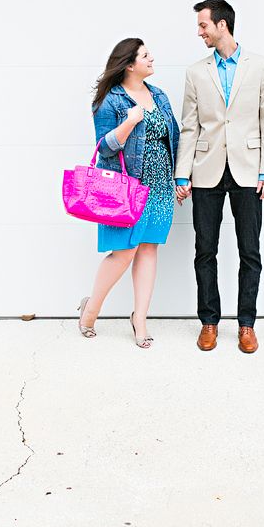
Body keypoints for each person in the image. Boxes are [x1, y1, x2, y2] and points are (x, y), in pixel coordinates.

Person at [174, 0, 264, 354]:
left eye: (203, 25)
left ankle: (246, 325)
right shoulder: (195, 72)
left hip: (249, 170)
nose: (199, 32)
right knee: (205, 250)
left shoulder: (261, 67)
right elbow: (190, 127)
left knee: (250, 250)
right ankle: (209, 322)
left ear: (222, 25)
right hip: (206, 172)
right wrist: (181, 174)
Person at [78, 38, 180, 348]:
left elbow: (171, 139)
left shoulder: (159, 95)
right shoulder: (111, 101)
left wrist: (178, 178)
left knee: (149, 249)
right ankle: (90, 310)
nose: (152, 59)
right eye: (146, 55)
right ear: (129, 64)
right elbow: (104, 147)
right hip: (128, 187)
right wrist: (129, 122)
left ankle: (140, 319)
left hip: (160, 185)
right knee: (124, 252)